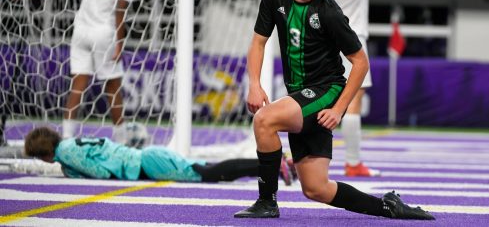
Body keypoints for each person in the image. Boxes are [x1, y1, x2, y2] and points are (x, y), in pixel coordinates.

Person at [234, 0, 434, 220]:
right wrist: (254, 84)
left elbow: (361, 62)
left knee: (264, 120)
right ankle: (388, 206)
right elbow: (259, 41)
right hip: (300, 94)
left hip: (326, 90)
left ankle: (266, 202)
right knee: (316, 189)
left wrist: (339, 109)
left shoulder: (328, 11)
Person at [27, 0, 148, 144]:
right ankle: (121, 140)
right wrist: (120, 44)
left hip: (81, 30)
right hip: (104, 34)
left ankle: (66, 138)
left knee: (78, 84)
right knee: (112, 88)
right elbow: (120, 11)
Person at [326, 0, 413, 177]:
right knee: (354, 100)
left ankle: (300, 156)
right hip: (353, 38)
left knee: (320, 95)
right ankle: (353, 163)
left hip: (328, 37)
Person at [24, 126, 293, 184]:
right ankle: (273, 166)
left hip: (146, 163)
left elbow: (102, 173)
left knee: (210, 174)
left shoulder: (65, 153)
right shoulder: (69, 145)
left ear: (44, 152)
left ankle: (271, 164)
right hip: (146, 157)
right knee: (209, 168)